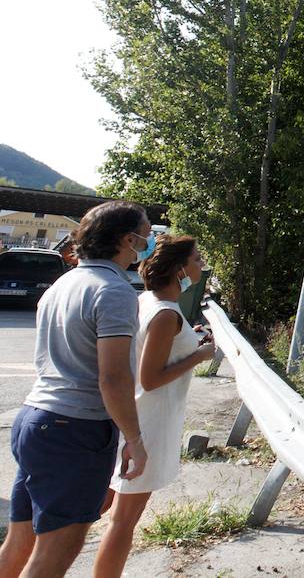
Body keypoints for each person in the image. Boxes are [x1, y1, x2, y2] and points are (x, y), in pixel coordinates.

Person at [0, 201, 150, 578]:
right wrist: (134, 438)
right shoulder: (114, 291)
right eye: (145, 234)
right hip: (75, 430)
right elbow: (112, 378)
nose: (149, 241)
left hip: (36, 420)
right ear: (127, 238)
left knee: (21, 540)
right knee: (56, 549)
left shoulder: (64, 283)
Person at [92, 236, 215, 578]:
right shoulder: (165, 313)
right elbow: (151, 378)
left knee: (106, 507)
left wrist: (189, 342)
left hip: (139, 418)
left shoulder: (148, 301)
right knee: (123, 520)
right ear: (180, 270)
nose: (201, 264)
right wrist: (200, 355)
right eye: (197, 258)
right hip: (150, 422)